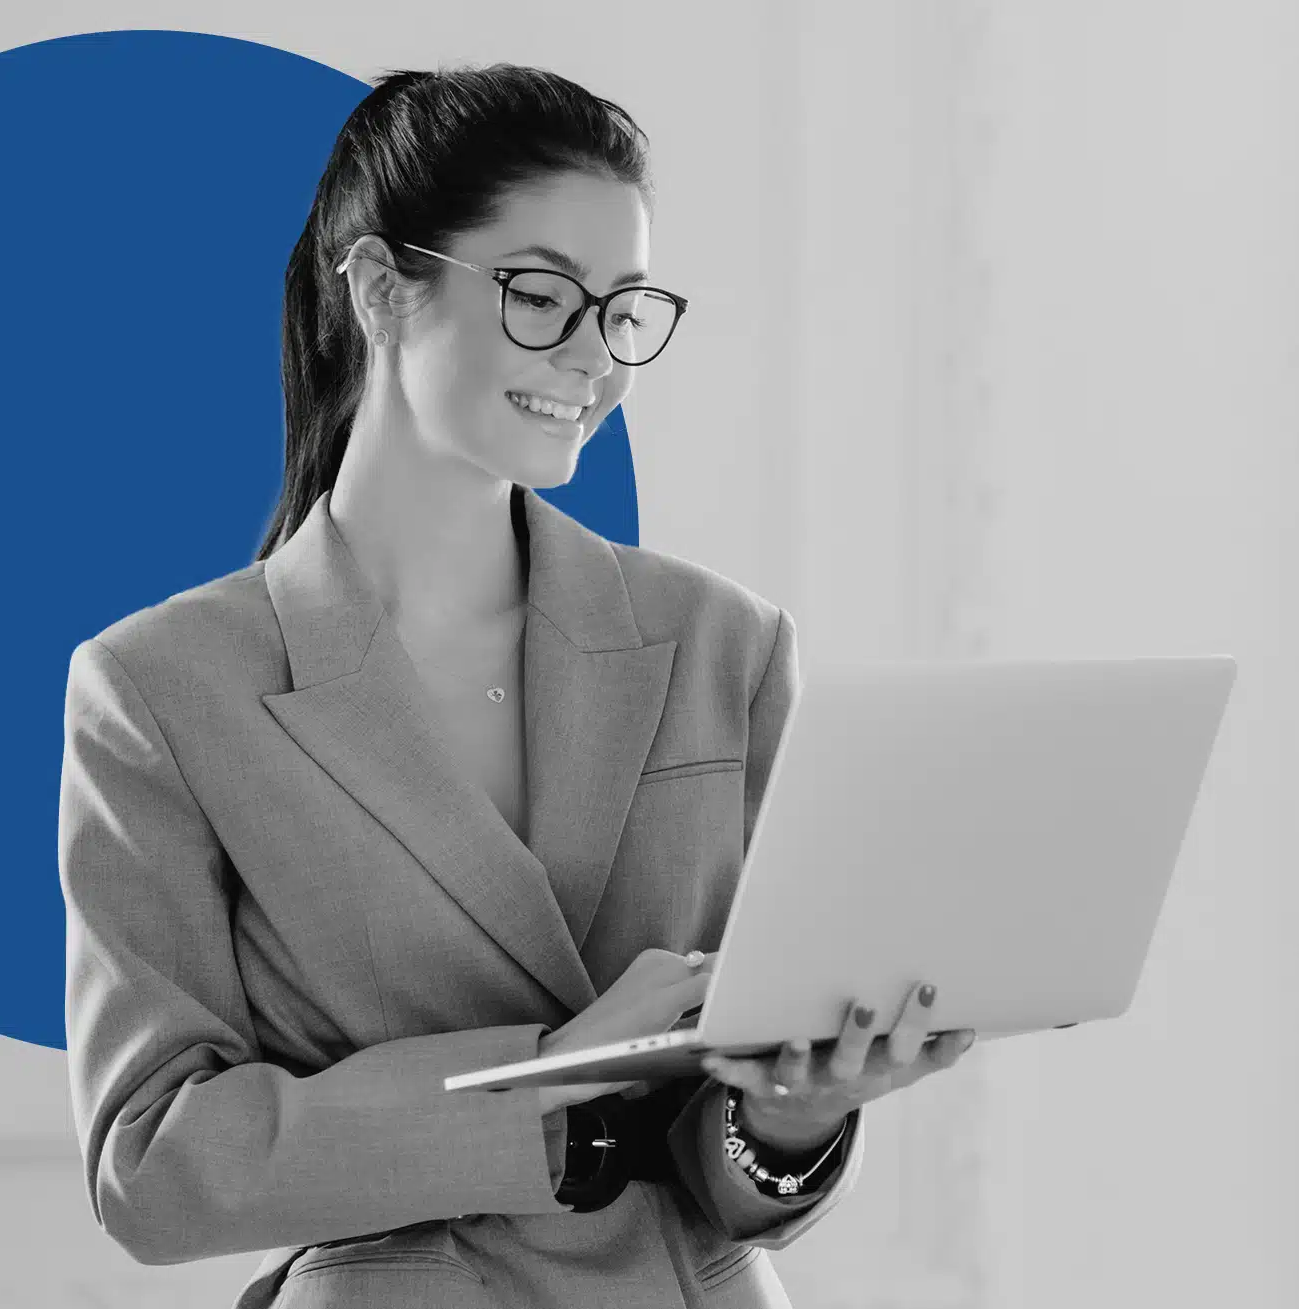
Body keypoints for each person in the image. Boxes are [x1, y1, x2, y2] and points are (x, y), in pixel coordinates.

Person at [56, 64, 977, 1309]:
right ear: (383, 290)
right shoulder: (163, 688)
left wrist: (791, 1115)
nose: (594, 357)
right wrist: (546, 1076)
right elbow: (152, 1167)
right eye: (542, 296)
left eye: (626, 309)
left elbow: (729, 1159)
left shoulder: (723, 642)